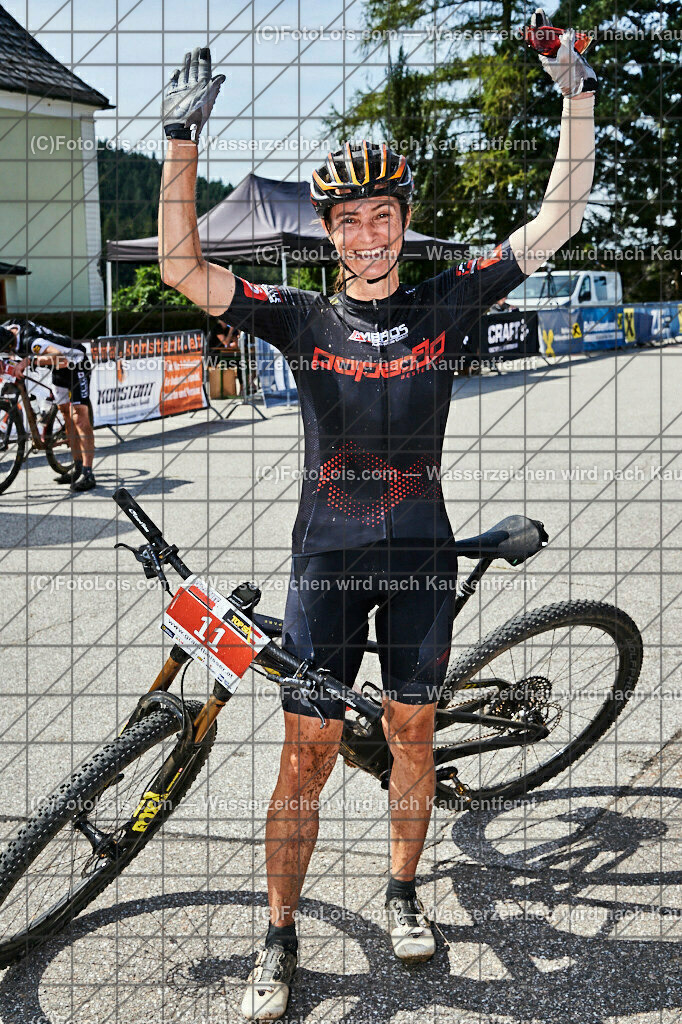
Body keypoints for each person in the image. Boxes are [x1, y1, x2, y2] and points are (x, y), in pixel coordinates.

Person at [157, 16, 596, 1018]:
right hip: (325, 565)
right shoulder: (299, 317)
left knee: (409, 735)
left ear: (402, 220)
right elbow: (183, 268)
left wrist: (574, 92)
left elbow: (558, 217)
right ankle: (279, 934)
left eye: (381, 214)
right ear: (330, 233)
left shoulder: (445, 305)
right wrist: (182, 139)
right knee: (304, 755)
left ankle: (402, 893)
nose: (365, 233)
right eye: (347, 220)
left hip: (419, 567)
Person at [0, 320, 96, 491]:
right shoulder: (8, 328)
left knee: (79, 416)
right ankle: (77, 467)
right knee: (66, 414)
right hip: (58, 366)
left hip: (75, 360)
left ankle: (88, 474)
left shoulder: (32, 342)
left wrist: (29, 361)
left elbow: (59, 356)